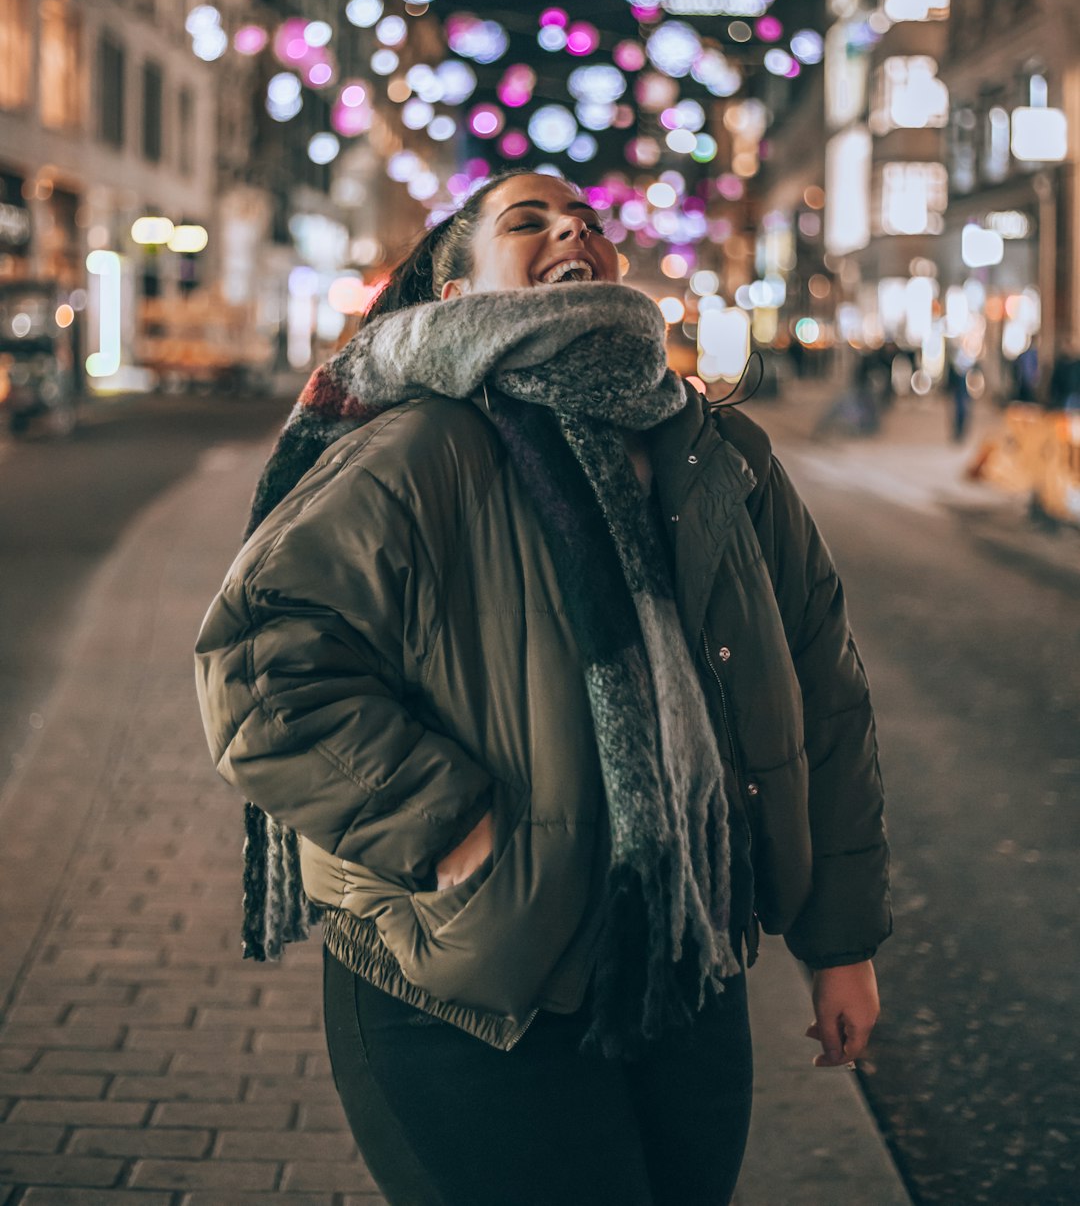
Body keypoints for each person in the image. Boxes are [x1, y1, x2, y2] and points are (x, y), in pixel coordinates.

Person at [195, 171, 890, 1206]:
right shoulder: (421, 443)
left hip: (683, 961)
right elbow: (259, 665)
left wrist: (842, 942)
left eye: (589, 221)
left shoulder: (714, 452)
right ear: (456, 284)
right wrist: (449, 829)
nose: (574, 227)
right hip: (472, 987)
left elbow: (823, 686)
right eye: (527, 220)